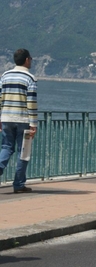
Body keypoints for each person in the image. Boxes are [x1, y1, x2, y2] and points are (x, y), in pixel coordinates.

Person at [0, 48, 37, 193]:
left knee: (6, 147)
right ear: (27, 60)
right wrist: (33, 124)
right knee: (24, 151)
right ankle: (19, 184)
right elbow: (31, 103)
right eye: (31, 59)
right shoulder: (30, 78)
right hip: (23, 120)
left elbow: (0, 98)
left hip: (6, 118)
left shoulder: (5, 76)